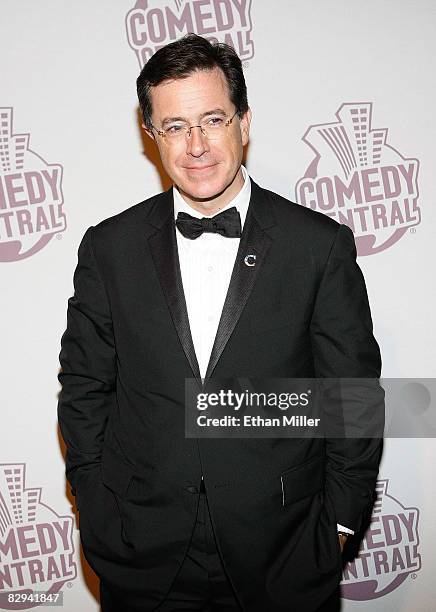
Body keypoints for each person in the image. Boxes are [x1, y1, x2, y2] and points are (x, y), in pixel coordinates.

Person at [57, 33, 383, 612]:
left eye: (212, 119)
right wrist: (98, 508)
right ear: (151, 135)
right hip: (143, 556)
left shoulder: (318, 246)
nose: (197, 145)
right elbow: (84, 391)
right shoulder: (109, 248)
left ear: (245, 122)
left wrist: (336, 526)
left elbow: (352, 397)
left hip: (283, 554)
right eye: (175, 126)